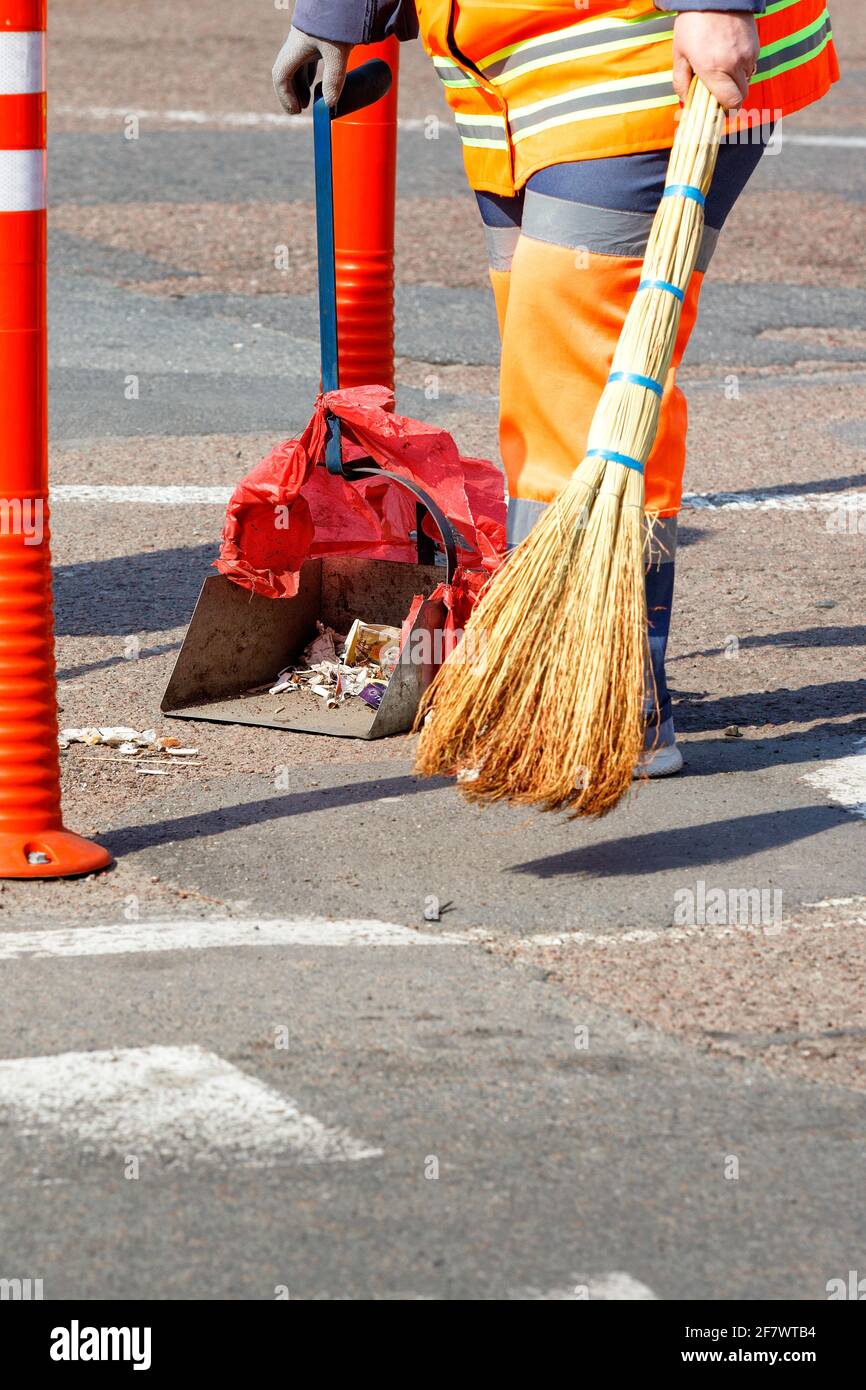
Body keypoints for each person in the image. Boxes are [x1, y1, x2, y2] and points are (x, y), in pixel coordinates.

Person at [273, 2, 838, 776]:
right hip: (507, 78)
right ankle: (576, 680)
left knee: (582, 377)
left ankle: (609, 705)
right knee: (548, 383)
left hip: (633, 56)